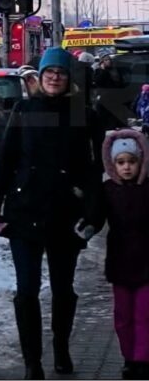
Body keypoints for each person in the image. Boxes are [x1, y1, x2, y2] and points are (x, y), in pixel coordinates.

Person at [0, 47, 102, 379]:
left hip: (66, 215)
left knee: (63, 290)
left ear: (68, 79)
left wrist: (94, 214)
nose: (54, 78)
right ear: (40, 76)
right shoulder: (24, 110)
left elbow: (94, 171)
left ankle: (61, 349)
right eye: (49, 72)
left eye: (60, 73)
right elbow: (5, 161)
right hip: (25, 213)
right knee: (26, 291)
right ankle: (32, 361)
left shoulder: (84, 115)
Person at [87, 129, 149, 380]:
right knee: (123, 316)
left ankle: (143, 359)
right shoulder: (108, 190)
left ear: (141, 162)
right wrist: (85, 226)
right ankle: (128, 358)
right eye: (120, 162)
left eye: (131, 162)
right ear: (112, 164)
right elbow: (96, 217)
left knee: (144, 315)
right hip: (119, 263)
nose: (126, 168)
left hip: (147, 263)